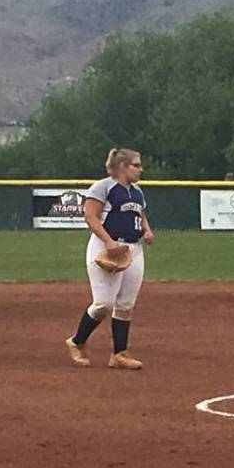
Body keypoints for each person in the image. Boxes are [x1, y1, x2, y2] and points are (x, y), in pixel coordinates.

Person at [65, 148, 154, 370]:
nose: (140, 169)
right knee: (104, 304)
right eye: (136, 165)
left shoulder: (137, 191)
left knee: (125, 305)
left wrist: (147, 230)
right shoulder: (104, 187)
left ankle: (119, 354)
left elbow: (140, 214)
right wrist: (108, 242)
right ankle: (77, 341)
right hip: (106, 248)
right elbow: (90, 216)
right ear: (123, 166)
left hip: (133, 249)